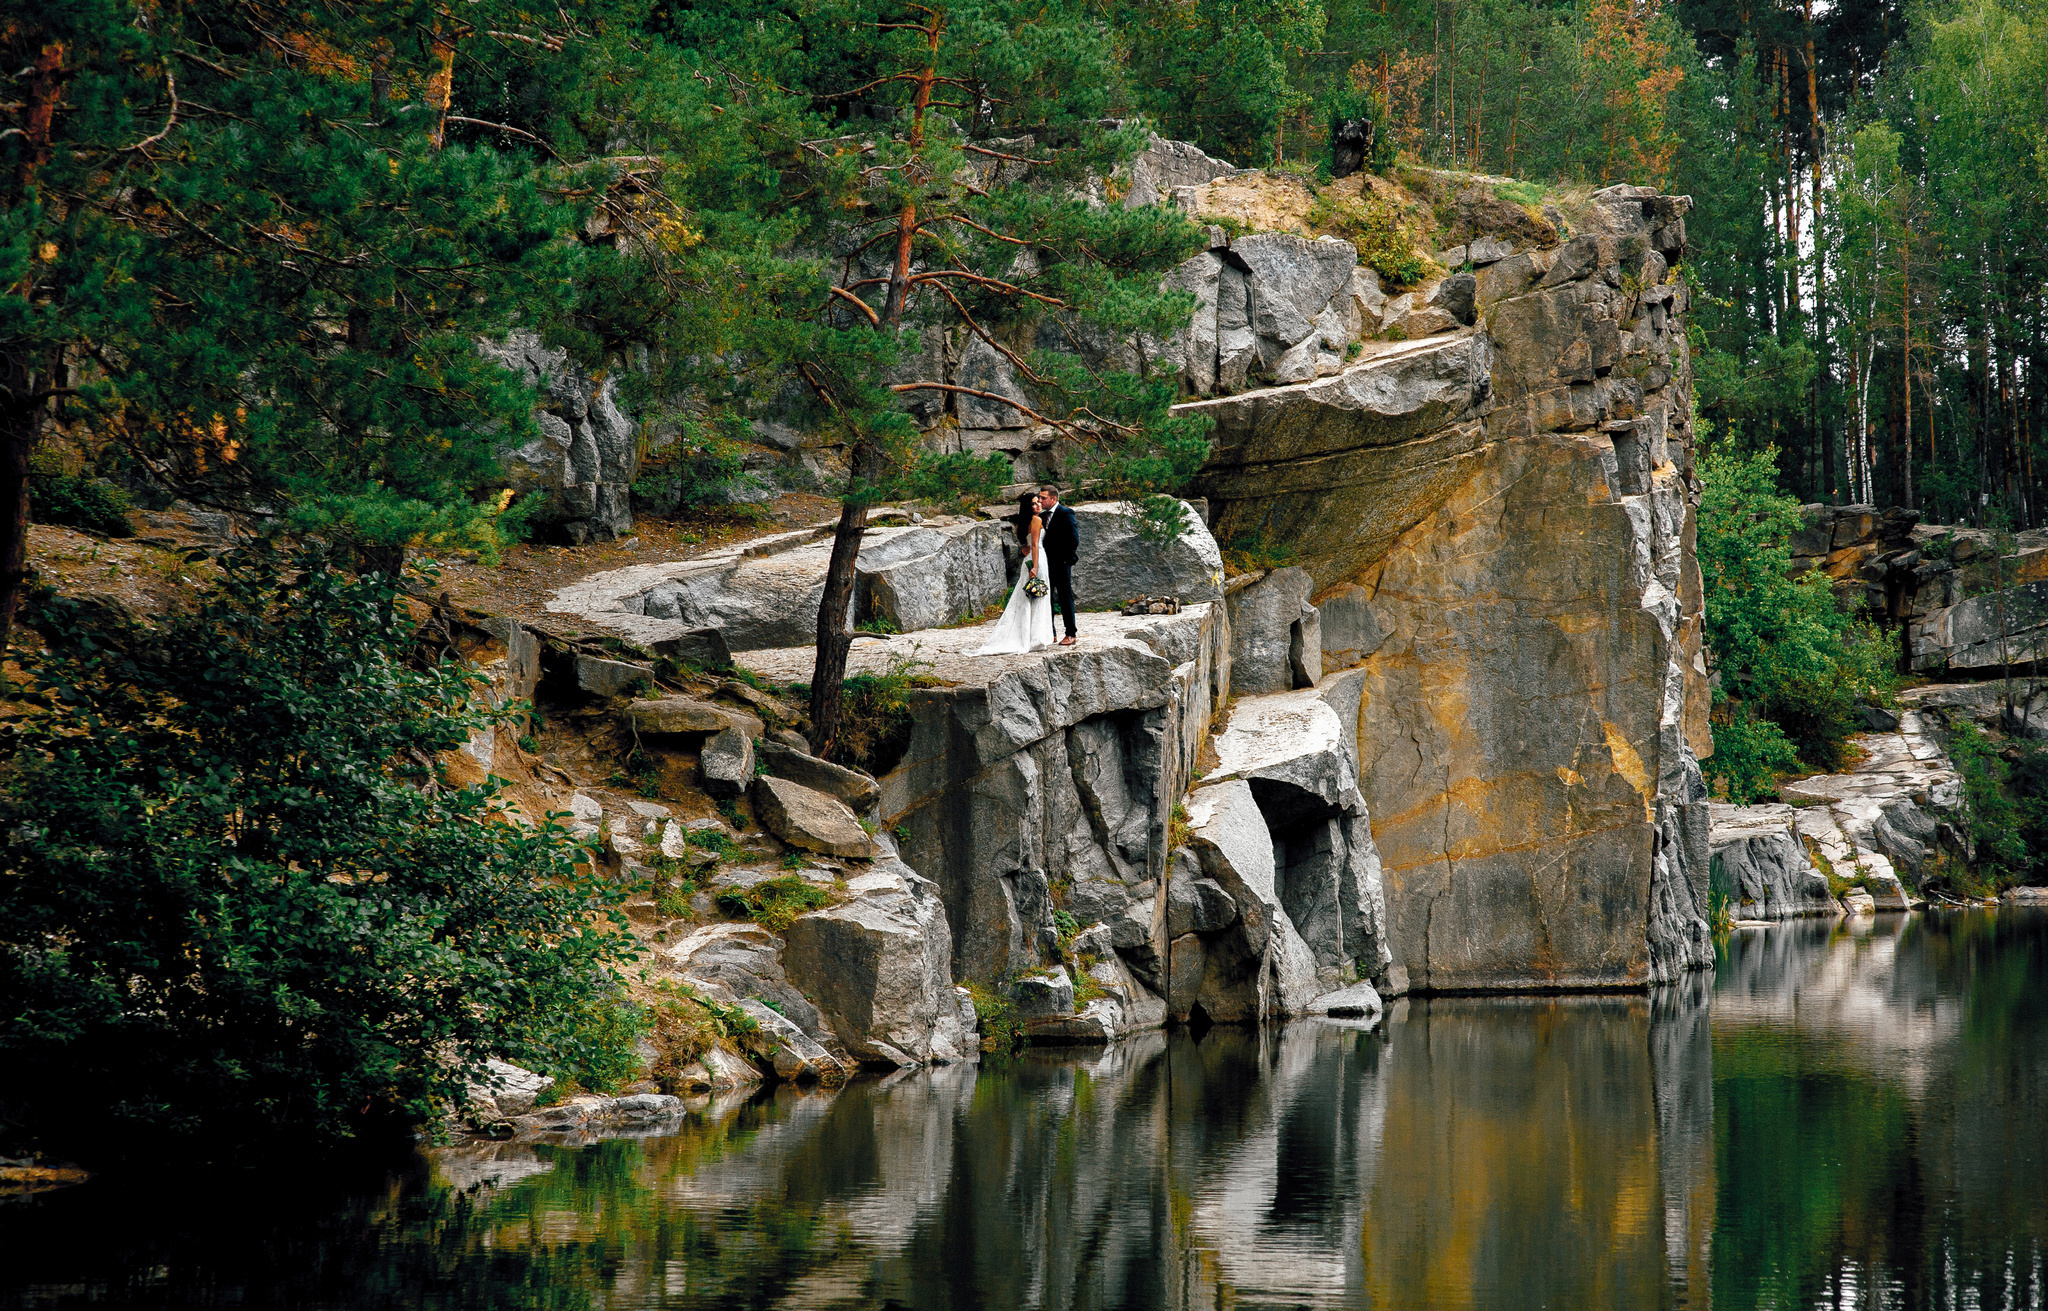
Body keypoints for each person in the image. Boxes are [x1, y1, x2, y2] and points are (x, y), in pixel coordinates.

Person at [973, 491, 1055, 655]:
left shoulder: (1027, 522)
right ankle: (1036, 637)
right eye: (1034, 503)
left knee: (1031, 595)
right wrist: (1036, 567)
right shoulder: (1037, 520)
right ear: (1028, 507)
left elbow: (1028, 546)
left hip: (1031, 560)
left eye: (1038, 501)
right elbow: (1034, 546)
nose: (1038, 504)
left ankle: (1031, 633)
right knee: (1038, 596)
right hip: (1037, 560)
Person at [1039, 483, 1079, 645]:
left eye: (1044, 498)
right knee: (1047, 599)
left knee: (1065, 598)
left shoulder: (1066, 513)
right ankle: (1051, 633)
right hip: (1045, 564)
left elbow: (1073, 538)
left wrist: (1066, 560)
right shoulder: (1041, 517)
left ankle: (1071, 633)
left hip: (1061, 564)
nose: (1040, 500)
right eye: (1040, 497)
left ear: (1053, 498)